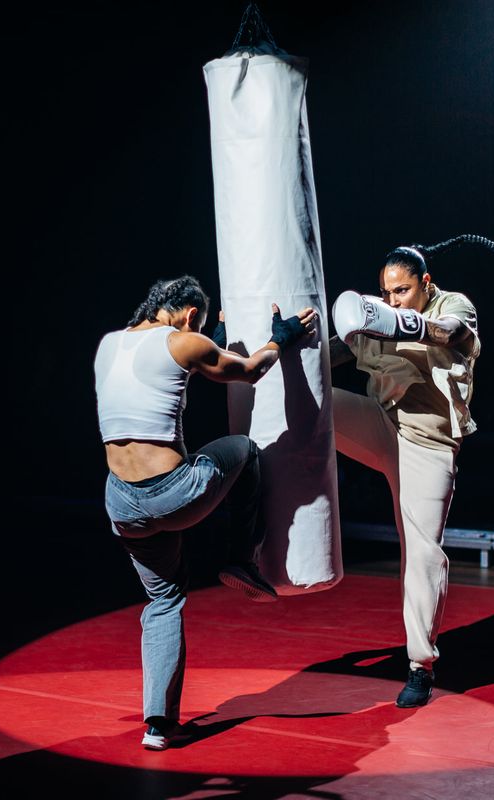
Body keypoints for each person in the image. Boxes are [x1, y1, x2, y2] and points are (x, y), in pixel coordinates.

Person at [95, 275, 315, 749]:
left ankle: (159, 726)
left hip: (122, 504)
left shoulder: (109, 344)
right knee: (246, 450)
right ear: (191, 315)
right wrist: (282, 338)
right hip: (173, 495)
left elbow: (157, 374)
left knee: (163, 599)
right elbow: (252, 370)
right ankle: (241, 559)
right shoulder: (184, 343)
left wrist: (207, 341)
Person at [329, 234, 494, 708]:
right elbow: (333, 353)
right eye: (387, 292)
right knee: (308, 402)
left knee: (421, 553)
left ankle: (421, 666)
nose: (393, 299)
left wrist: (398, 321)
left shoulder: (453, 305)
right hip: (382, 425)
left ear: (426, 283)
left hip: (429, 444)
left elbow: (452, 333)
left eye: (403, 290)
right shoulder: (377, 310)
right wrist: (279, 344)